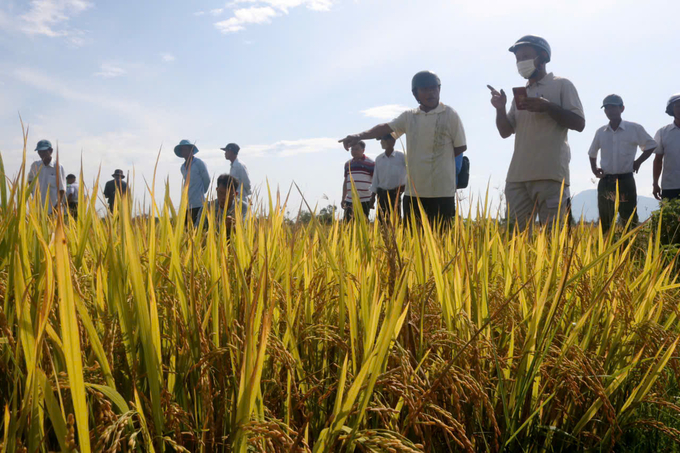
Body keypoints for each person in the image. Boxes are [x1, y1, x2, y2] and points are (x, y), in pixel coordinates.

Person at [339, 70, 467, 226]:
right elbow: (385, 128)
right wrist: (358, 136)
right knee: (412, 242)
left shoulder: (450, 114)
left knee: (441, 242)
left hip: (442, 192)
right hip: (414, 192)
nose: (431, 92)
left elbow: (460, 147)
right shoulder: (409, 117)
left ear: (439, 89)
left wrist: (436, 162)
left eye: (434, 88)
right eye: (425, 89)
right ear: (416, 94)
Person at [489, 35, 585, 231]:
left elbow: (579, 123)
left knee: (553, 241)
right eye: (517, 58)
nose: (520, 62)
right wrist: (500, 108)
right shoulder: (520, 95)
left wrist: (547, 107)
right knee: (517, 239)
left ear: (542, 57)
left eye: (525, 56)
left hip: (550, 175)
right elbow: (506, 132)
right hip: (517, 177)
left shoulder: (562, 84)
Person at [588, 94, 656, 231]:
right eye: (607, 108)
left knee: (629, 219)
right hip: (606, 181)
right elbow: (592, 153)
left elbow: (651, 145)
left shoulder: (634, 128)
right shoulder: (601, 132)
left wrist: (638, 162)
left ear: (622, 108)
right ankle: (608, 249)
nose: (610, 111)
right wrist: (594, 169)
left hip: (626, 180)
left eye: (613, 107)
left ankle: (630, 250)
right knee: (606, 221)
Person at [370, 133, 406, 221]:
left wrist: (404, 187)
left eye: (384, 140)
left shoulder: (402, 156)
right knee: (381, 221)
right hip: (381, 194)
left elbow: (410, 172)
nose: (382, 142)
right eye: (381, 140)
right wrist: (373, 196)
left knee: (395, 220)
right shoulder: (379, 159)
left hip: (395, 194)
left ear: (392, 141)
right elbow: (376, 179)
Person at [175, 140, 210, 226]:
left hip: (198, 203)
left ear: (191, 150)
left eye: (186, 149)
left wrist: (200, 192)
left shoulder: (199, 163)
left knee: (197, 228)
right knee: (187, 229)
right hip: (186, 204)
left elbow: (207, 180)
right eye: (182, 150)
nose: (184, 151)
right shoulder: (182, 167)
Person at [27, 139, 66, 215]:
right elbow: (30, 180)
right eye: (39, 151)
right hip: (37, 208)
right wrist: (33, 193)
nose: (41, 153)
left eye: (44, 151)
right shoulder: (35, 166)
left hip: (53, 210)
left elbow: (62, 190)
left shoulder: (58, 167)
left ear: (51, 151)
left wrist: (56, 208)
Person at [653, 94, 680, 201]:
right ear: (671, 109)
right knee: (668, 216)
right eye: (677, 106)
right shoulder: (663, 132)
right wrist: (655, 183)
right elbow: (658, 160)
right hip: (670, 185)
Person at [341, 141, 375, 221]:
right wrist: (343, 198)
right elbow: (346, 182)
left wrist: (373, 198)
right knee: (348, 225)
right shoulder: (347, 164)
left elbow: (375, 182)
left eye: (356, 149)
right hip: (349, 200)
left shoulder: (371, 163)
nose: (354, 151)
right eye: (352, 149)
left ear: (363, 150)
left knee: (362, 224)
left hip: (364, 199)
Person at [221, 143, 251, 212]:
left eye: (226, 151)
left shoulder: (239, 165)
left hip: (241, 198)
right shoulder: (234, 165)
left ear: (231, 151)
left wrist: (246, 195)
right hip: (235, 199)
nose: (225, 153)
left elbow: (247, 182)